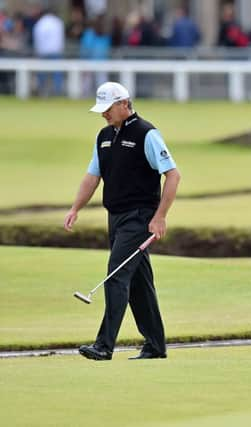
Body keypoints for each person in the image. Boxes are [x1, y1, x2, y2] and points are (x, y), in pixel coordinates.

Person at [64, 82, 181, 361]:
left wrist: (160, 217)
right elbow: (93, 176)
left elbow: (173, 175)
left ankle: (104, 346)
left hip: (140, 218)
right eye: (101, 110)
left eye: (108, 109)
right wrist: (75, 208)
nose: (104, 114)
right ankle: (155, 345)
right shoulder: (103, 136)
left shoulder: (146, 133)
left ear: (123, 104)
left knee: (116, 276)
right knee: (140, 283)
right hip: (115, 218)